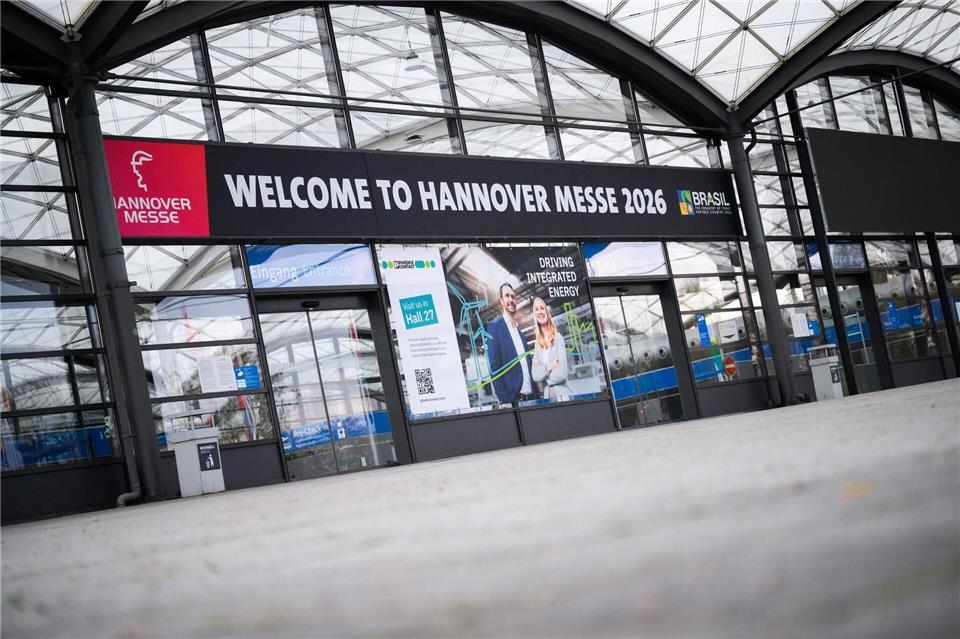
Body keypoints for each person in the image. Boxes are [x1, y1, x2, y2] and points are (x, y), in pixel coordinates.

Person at [486, 282, 537, 405]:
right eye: (507, 296)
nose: (511, 299)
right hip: (514, 401)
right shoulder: (494, 328)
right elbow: (495, 369)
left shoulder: (521, 334)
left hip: (532, 399)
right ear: (501, 301)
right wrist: (505, 401)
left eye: (513, 297)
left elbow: (528, 367)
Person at [530, 297, 572, 401]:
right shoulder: (537, 344)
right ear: (535, 316)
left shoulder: (558, 338)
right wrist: (549, 367)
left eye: (542, 308)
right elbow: (535, 375)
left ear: (547, 313)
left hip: (563, 395)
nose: (540, 311)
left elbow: (562, 373)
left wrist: (544, 379)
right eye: (536, 309)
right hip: (547, 397)